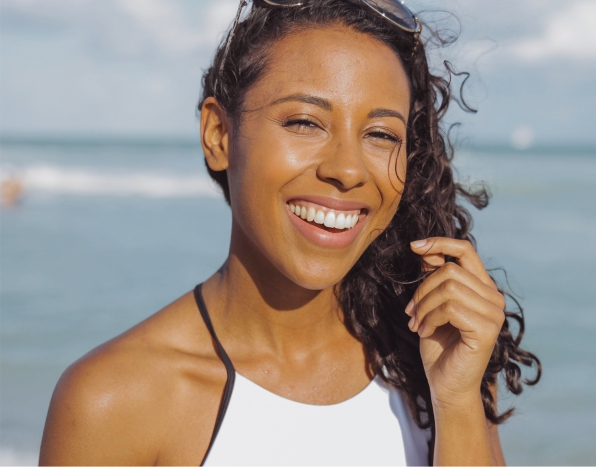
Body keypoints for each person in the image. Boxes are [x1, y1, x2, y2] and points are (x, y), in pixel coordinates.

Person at [39, 0, 540, 465]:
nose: (348, 170)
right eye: (305, 122)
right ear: (219, 135)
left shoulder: (437, 356)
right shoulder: (112, 401)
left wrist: (455, 399)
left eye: (381, 134)